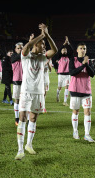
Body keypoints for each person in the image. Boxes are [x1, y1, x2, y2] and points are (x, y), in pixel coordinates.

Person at [15, 23, 58, 160]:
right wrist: (40, 35)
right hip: (26, 92)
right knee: (23, 119)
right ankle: (20, 149)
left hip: (38, 93)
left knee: (33, 118)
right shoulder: (25, 57)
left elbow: (55, 50)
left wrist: (47, 35)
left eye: (44, 44)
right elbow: (26, 47)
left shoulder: (43, 57)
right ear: (35, 45)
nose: (44, 46)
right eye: (42, 44)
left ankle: (29, 144)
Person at [69, 42, 95, 142]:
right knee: (76, 111)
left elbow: (92, 74)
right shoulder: (73, 60)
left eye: (84, 48)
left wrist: (86, 64)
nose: (83, 50)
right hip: (75, 90)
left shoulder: (89, 61)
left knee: (88, 112)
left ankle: (87, 134)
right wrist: (82, 65)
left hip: (86, 91)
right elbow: (72, 72)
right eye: (81, 48)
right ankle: (75, 131)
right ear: (77, 50)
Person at [56, 36, 73, 106]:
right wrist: (63, 44)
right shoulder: (59, 57)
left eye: (65, 50)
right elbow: (58, 51)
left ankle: (65, 101)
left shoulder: (68, 57)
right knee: (59, 87)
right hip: (60, 75)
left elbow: (71, 51)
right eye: (63, 50)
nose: (64, 51)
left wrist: (68, 44)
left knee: (67, 87)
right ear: (61, 51)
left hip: (67, 75)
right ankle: (57, 95)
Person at [11, 41, 24, 125]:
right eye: (18, 48)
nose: (20, 49)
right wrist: (24, 52)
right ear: (15, 49)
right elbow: (17, 57)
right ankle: (16, 118)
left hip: (25, 81)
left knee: (25, 100)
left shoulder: (24, 56)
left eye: (21, 48)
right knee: (17, 99)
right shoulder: (13, 56)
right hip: (16, 80)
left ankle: (25, 117)